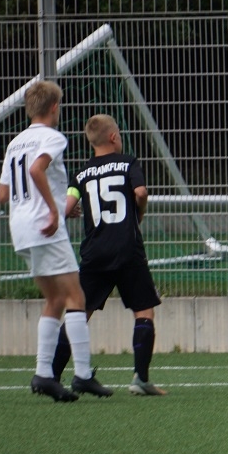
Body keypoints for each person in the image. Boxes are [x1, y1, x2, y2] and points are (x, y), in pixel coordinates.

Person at [0, 81, 111, 401]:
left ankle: (43, 374)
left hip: (21, 229)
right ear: (54, 107)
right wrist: (52, 210)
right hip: (44, 227)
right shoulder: (52, 136)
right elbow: (37, 170)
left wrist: (55, 204)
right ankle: (83, 374)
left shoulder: (15, 142)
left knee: (55, 299)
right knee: (76, 296)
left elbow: (2, 194)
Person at [52, 114, 167, 395]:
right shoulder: (128, 163)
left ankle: (51, 376)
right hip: (127, 249)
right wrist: (138, 215)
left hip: (95, 253)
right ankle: (140, 379)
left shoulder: (81, 174)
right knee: (143, 310)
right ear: (114, 137)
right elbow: (141, 192)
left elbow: (66, 207)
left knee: (78, 314)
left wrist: (72, 210)